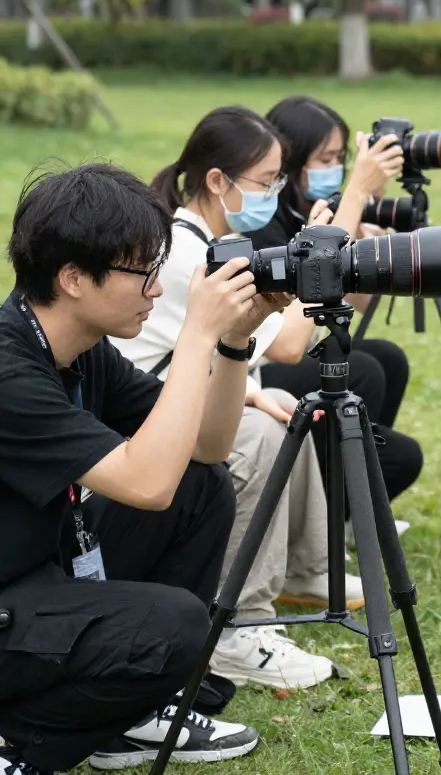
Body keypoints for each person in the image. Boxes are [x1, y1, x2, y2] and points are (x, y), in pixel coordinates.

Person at [0, 164, 268, 774]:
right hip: (8, 608)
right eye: (143, 272)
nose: (157, 289)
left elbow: (208, 447)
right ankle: (17, 742)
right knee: (174, 627)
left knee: (202, 486)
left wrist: (231, 343)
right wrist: (195, 335)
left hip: (42, 572)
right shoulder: (9, 373)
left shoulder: (83, 349)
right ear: (73, 278)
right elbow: (146, 485)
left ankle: (133, 707)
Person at [115, 107, 342, 691]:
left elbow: (226, 354)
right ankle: (239, 626)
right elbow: (287, 343)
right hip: (140, 421)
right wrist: (317, 254)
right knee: (262, 430)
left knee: (282, 406)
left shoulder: (209, 241)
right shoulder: (186, 255)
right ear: (217, 180)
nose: (274, 192)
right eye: (266, 181)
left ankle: (308, 569)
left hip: (166, 401)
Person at [250, 95, 423, 513]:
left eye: (340, 158)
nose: (335, 168)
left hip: (287, 354)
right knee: (363, 370)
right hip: (259, 364)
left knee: (388, 358)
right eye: (324, 158)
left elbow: (364, 300)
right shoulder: (260, 222)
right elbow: (288, 345)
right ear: (289, 160)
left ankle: (347, 500)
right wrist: (355, 193)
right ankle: (332, 499)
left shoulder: (309, 209)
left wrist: (362, 219)